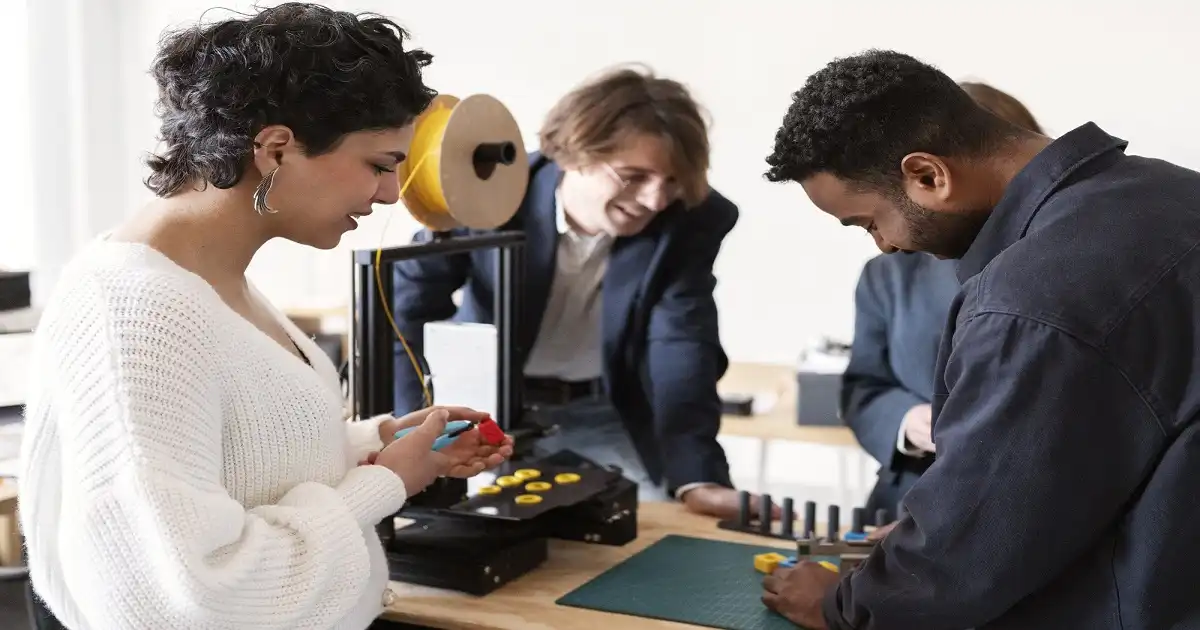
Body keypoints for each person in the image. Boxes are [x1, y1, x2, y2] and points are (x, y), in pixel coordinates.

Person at [18, 4, 513, 629]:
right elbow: (192, 592)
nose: (391, 194)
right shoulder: (141, 318)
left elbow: (231, 462)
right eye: (381, 165)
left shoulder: (205, 278)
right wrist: (383, 483)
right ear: (276, 148)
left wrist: (371, 444)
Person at [760, 49, 1200, 629]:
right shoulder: (1176, 191)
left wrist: (836, 604)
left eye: (867, 223)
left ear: (928, 176)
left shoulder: (1026, 304)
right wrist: (946, 516)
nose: (884, 247)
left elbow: (965, 560)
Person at [390, 66, 760, 520]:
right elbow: (402, 317)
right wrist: (412, 435)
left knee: (650, 530)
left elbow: (683, 345)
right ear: (574, 153)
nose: (655, 200)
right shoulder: (484, 194)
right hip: (485, 407)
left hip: (606, 408)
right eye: (633, 176)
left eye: (672, 182)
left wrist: (697, 476)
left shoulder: (690, 219)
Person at [842, 82, 1045, 525]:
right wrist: (906, 421)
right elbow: (862, 387)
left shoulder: (1051, 266)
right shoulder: (889, 273)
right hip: (908, 493)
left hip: (1017, 508)